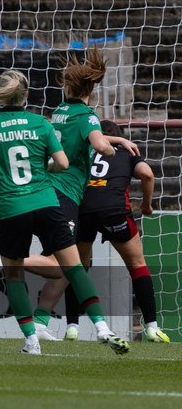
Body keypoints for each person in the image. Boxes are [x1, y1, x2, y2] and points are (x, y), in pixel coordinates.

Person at [0, 69, 130, 356]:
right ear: (27, 95)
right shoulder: (41, 123)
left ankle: (32, 341)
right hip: (45, 201)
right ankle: (102, 327)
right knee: (74, 267)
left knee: (14, 275)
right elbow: (63, 163)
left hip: (12, 208)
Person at [15, 49, 140, 341]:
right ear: (91, 90)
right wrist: (111, 148)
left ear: (68, 87)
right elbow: (98, 144)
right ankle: (2, 258)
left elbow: (81, 134)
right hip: (64, 195)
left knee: (67, 265)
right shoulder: (87, 116)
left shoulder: (60, 111)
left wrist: (115, 136)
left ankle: (42, 322)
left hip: (42, 187)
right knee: (64, 264)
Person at [77, 120, 169, 343]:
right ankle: (152, 328)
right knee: (137, 265)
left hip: (83, 210)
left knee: (77, 269)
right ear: (120, 136)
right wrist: (146, 205)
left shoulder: (84, 149)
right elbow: (147, 174)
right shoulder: (127, 151)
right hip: (114, 212)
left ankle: (72, 327)